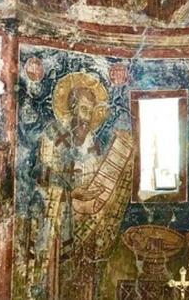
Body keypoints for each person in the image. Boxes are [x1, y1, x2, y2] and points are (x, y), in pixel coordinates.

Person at [30, 73, 134, 300]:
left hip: (89, 219)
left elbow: (98, 172)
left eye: (92, 111)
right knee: (60, 277)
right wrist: (71, 192)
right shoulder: (53, 133)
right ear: (72, 108)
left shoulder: (92, 141)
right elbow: (41, 172)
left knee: (86, 274)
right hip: (59, 216)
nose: (88, 117)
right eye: (84, 109)